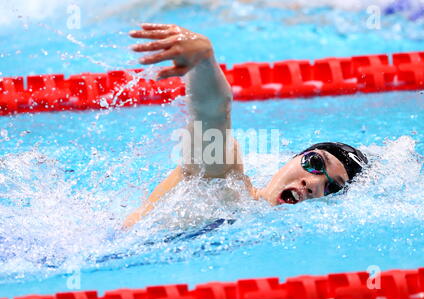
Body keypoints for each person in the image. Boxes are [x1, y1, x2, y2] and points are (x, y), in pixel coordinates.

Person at [122, 23, 368, 229]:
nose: (313, 184)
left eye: (332, 188)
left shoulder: (253, 221)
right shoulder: (226, 184)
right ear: (292, 159)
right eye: (314, 163)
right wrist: (204, 62)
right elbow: (212, 115)